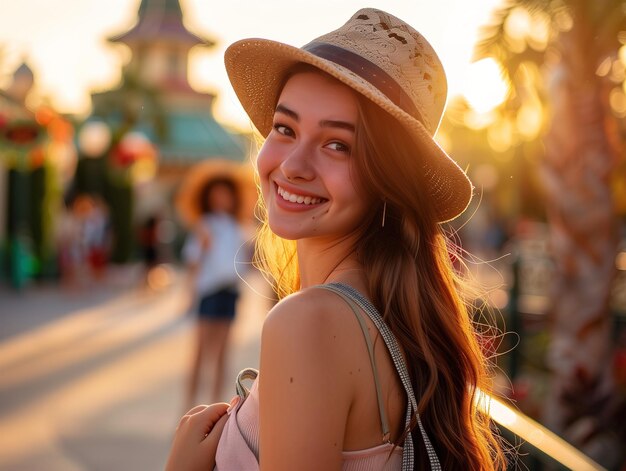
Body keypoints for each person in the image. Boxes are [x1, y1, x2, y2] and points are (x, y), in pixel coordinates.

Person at [166, 8, 507, 470]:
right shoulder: (390, 318)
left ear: (388, 179)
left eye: (337, 145)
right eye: (285, 129)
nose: (293, 165)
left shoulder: (308, 322)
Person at [181, 176, 245, 410]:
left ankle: (216, 407)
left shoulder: (236, 227)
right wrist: (189, 294)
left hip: (229, 292)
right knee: (200, 352)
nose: (221, 199)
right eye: (216, 195)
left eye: (225, 194)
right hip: (209, 291)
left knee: (223, 353)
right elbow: (193, 261)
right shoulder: (204, 224)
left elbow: (240, 264)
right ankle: (189, 406)